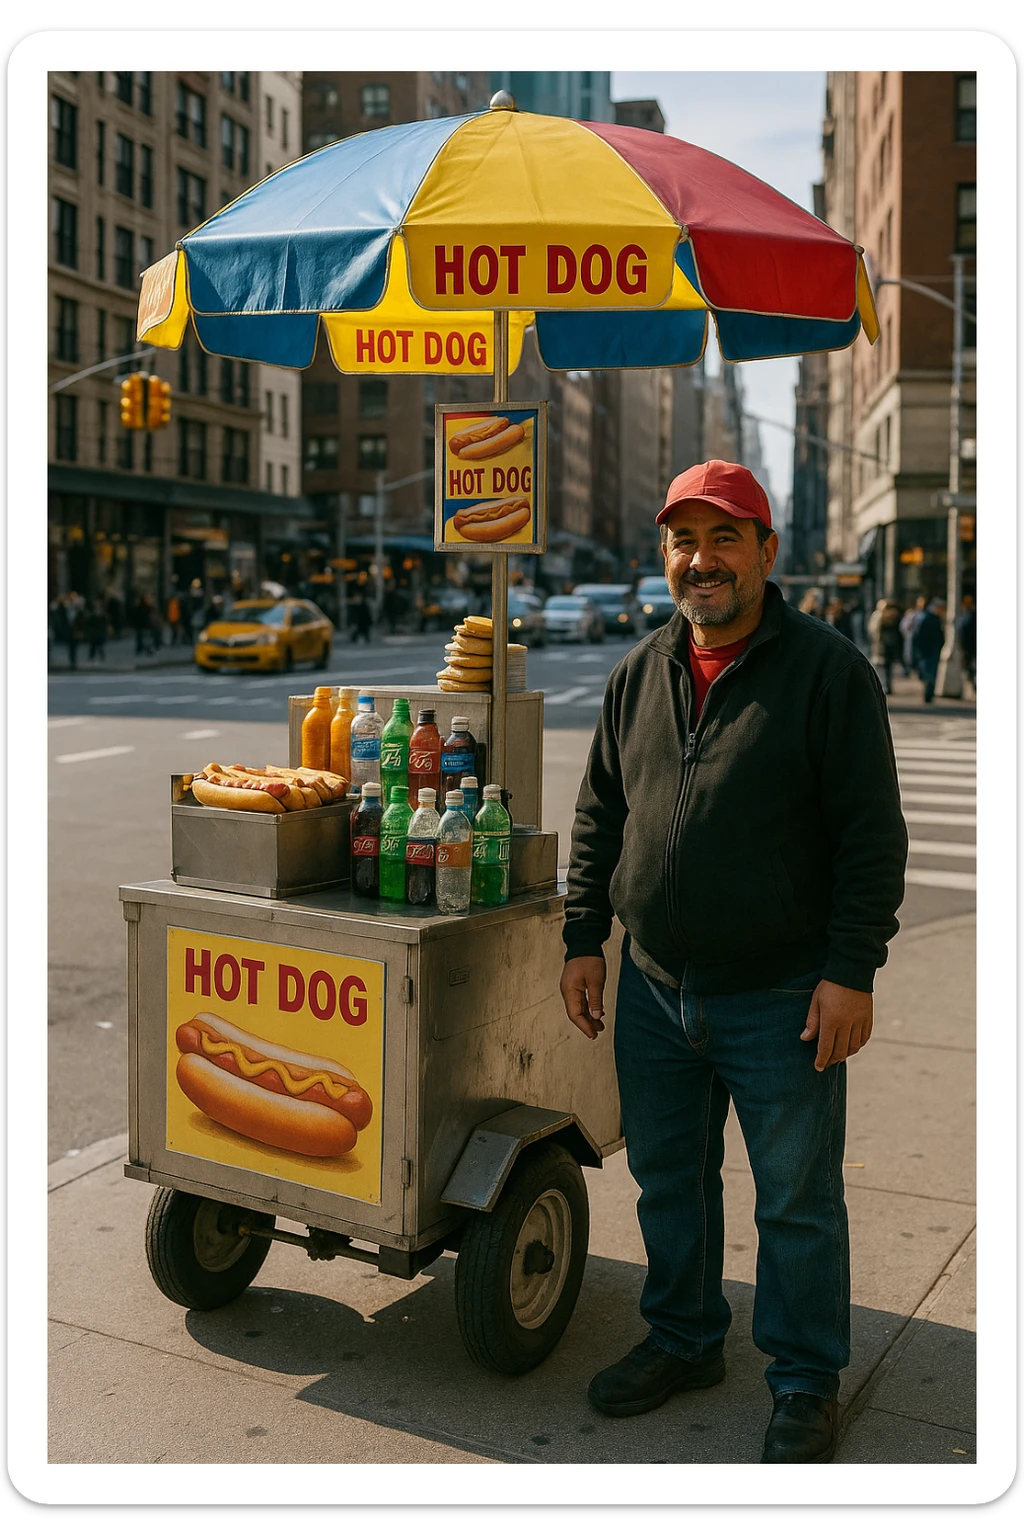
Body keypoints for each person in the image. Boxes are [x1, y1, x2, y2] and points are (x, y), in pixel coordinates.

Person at [559, 460, 907, 1465]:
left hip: (783, 996)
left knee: (796, 1198)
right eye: (683, 541)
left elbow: (868, 841)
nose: (700, 561)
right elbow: (599, 817)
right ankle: (683, 1339)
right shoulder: (639, 671)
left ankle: (802, 1377)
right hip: (656, 986)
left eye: (723, 538)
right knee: (671, 1183)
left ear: (765, 551)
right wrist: (586, 939)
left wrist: (851, 971)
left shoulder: (828, 672)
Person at [867, 597, 903, 696]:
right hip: (889, 644)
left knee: (881, 666)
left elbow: (873, 630)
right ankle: (886, 685)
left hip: (882, 644)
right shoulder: (894, 616)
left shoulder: (878, 616)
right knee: (886, 666)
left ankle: (882, 685)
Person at [911, 598, 945, 704]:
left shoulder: (926, 618)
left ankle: (928, 693)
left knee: (928, 672)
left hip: (927, 650)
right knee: (929, 672)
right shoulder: (928, 618)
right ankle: (928, 693)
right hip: (928, 650)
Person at [899, 596, 926, 678]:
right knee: (909, 656)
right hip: (911, 640)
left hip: (921, 642)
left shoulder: (925, 616)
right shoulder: (911, 615)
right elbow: (904, 627)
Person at [955, 594, 976, 695]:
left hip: (968, 647)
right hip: (970, 647)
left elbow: (962, 632)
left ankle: (973, 685)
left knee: (969, 668)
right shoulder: (968, 617)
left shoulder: (966, 617)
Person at [85, 598, 109, 662]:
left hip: (100, 633)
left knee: (100, 646)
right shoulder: (92, 615)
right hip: (94, 633)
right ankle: (92, 657)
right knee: (93, 646)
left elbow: (105, 624)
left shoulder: (102, 615)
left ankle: (101, 657)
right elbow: (89, 624)